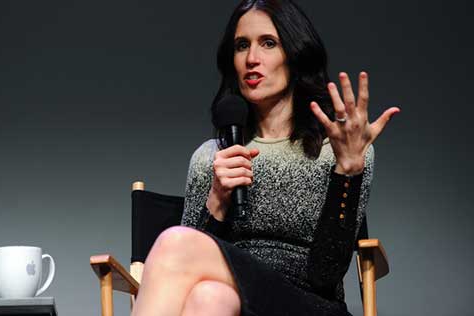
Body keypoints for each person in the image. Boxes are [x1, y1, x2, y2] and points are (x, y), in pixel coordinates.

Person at [132, 0, 399, 315]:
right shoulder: (213, 157)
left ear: (295, 54)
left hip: (309, 305)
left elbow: (325, 276)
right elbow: (184, 274)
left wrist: (348, 173)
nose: (251, 59)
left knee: (174, 243)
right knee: (206, 296)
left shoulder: (341, 149)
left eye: (268, 44)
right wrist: (217, 200)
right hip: (235, 303)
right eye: (241, 46)